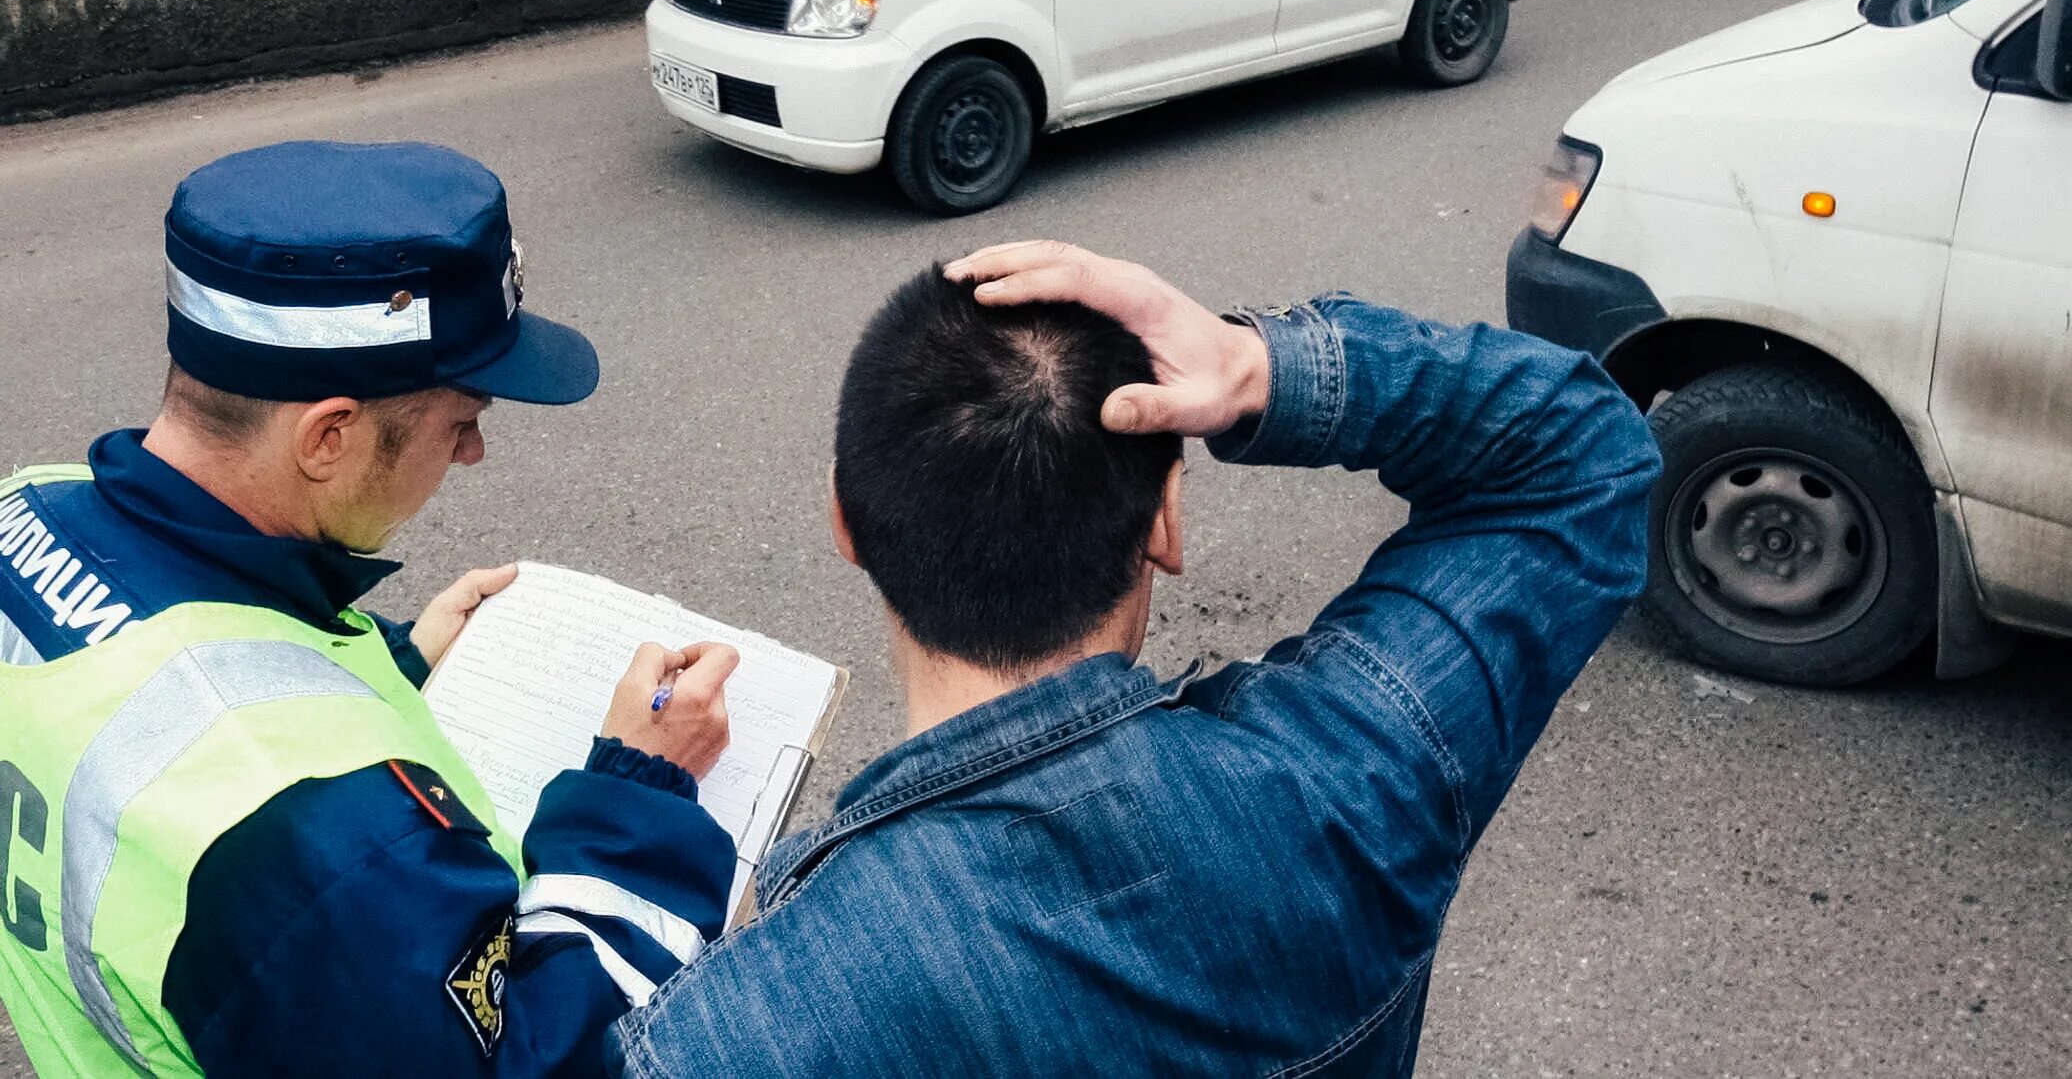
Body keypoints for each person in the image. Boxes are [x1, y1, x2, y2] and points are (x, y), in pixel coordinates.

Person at [608, 242, 1663, 1076]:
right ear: (1164, 519)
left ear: (845, 520)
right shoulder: (1358, 773)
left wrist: (615, 822)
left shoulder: (741, 1029)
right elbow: (1581, 455)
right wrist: (1257, 366)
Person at [0, 141, 737, 1077]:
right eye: (462, 421)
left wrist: (394, 663)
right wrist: (642, 793)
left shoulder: (27, 511)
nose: (472, 454)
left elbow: (149, 689)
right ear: (329, 434)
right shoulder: (321, 850)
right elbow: (543, 1055)